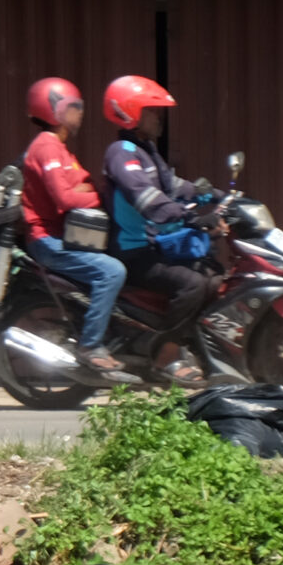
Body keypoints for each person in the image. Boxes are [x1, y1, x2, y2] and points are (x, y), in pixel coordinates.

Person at [100, 74, 216, 388]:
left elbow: (173, 186)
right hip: (131, 251)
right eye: (151, 111)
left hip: (152, 244)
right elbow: (148, 199)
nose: (158, 118)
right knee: (192, 284)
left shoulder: (145, 150)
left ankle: (198, 347)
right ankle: (165, 354)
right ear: (130, 113)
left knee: (212, 272)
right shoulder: (122, 153)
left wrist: (216, 196)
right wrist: (192, 218)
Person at [20, 77, 132, 384]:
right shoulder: (47, 147)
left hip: (67, 236)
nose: (81, 112)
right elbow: (66, 198)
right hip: (47, 240)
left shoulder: (59, 148)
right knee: (111, 272)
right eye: (76, 106)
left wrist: (84, 190)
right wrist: (95, 196)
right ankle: (91, 345)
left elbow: (79, 189)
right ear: (55, 109)